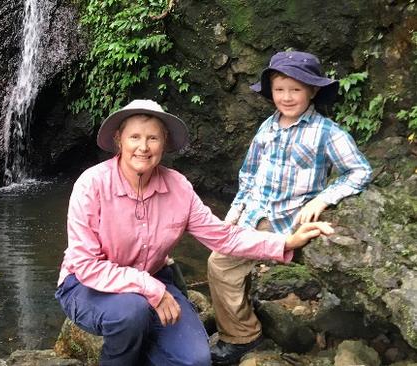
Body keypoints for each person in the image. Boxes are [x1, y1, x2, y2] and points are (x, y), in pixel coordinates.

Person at [55, 99, 335, 366]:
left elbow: (224, 236)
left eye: (153, 138)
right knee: (132, 312)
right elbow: (85, 264)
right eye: (135, 137)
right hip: (88, 285)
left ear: (164, 143)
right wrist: (151, 289)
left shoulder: (178, 187)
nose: (143, 146)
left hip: (154, 281)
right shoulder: (92, 184)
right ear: (119, 140)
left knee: (195, 360)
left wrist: (286, 240)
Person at [208, 51, 373, 365]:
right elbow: (249, 174)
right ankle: (244, 319)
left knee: (220, 264)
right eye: (279, 89)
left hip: (290, 218)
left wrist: (323, 198)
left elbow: (360, 170)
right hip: (256, 212)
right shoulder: (266, 128)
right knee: (222, 258)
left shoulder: (326, 132)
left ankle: (242, 338)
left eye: (295, 89)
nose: (286, 97)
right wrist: (235, 212)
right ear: (270, 91)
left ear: (312, 91)